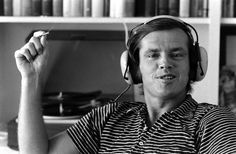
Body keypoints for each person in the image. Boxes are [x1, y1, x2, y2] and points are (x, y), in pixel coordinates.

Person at [14, 15, 236, 154]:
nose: (165, 63)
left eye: (176, 54)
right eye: (152, 55)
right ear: (133, 68)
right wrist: (30, 78)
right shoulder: (107, 117)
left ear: (195, 65)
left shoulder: (212, 121)